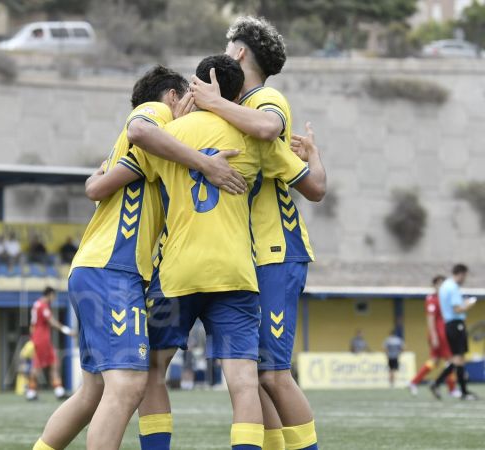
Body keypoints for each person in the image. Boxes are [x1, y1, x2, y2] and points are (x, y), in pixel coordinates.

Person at [33, 63, 244, 450]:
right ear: (172, 96)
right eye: (189, 98)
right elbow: (139, 131)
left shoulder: (163, 147)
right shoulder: (156, 113)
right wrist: (205, 163)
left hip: (98, 267)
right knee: (129, 383)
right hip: (113, 268)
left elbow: (95, 186)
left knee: (93, 392)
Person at [86, 55, 274, 450]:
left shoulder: (170, 134)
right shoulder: (252, 137)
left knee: (153, 370)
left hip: (176, 273)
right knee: (243, 381)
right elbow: (303, 179)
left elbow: (113, 175)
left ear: (197, 87)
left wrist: (96, 177)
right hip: (235, 271)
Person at [190, 16, 327, 450]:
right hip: (249, 257)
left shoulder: (265, 99)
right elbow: (311, 183)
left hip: (276, 251)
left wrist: (213, 102)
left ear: (239, 52)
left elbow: (269, 127)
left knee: (272, 372)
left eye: (226, 47)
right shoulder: (238, 111)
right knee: (255, 374)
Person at [429, 264, 478, 401]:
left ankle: (457, 389)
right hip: (456, 324)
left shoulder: (445, 286)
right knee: (458, 358)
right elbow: (457, 309)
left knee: (458, 359)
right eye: (465, 276)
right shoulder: (453, 287)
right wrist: (469, 304)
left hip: (450, 325)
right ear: (461, 273)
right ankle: (460, 391)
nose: (465, 279)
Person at [409, 275, 458, 396]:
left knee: (434, 361)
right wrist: (434, 336)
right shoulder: (432, 299)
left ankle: (414, 382)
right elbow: (430, 318)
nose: (441, 286)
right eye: (439, 284)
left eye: (443, 284)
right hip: (440, 334)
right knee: (451, 360)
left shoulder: (446, 298)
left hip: (444, 333)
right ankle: (452, 389)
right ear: (434, 285)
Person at [26, 287, 73, 402]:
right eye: (53, 296)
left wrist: (33, 338)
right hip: (42, 339)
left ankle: (59, 391)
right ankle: (31, 392)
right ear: (50, 294)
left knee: (53, 363)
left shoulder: (36, 304)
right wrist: (66, 330)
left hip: (39, 338)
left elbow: (32, 324)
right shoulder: (43, 306)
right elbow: (51, 322)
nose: (54, 299)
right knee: (37, 366)